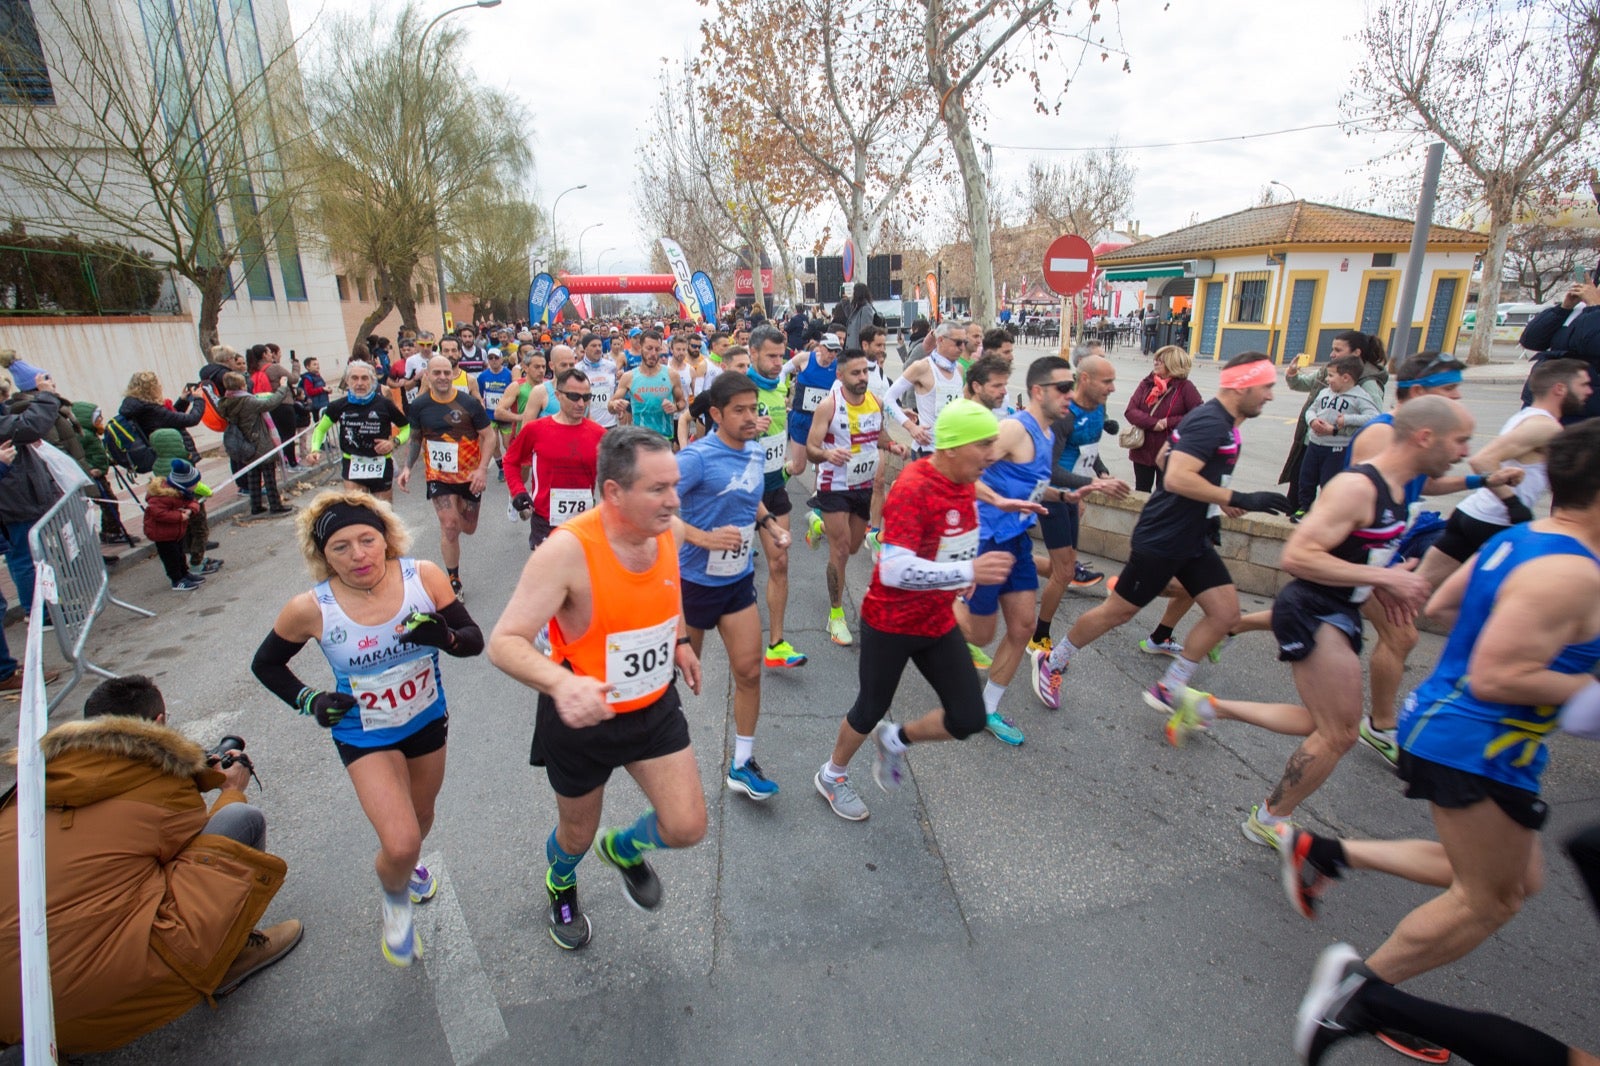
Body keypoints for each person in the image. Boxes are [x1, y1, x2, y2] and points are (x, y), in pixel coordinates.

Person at [1289, 419, 1600, 1063]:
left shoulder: (1523, 538)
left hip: (1457, 727)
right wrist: (1579, 688)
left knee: (1516, 878)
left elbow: (1445, 605)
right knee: (1492, 897)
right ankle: (1359, 997)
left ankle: (1330, 855)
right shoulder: (1575, 573)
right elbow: (1497, 672)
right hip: (1476, 742)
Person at [1162, 397, 1468, 847]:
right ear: (1426, 437)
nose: (1464, 451)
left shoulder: (1402, 489)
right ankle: (1269, 817)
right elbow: (1298, 556)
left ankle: (1206, 707)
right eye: (1460, 441)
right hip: (1312, 609)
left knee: (1322, 724)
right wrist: (1381, 576)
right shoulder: (1359, 487)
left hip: (1339, 608)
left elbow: (1362, 552)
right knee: (1339, 732)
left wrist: (1384, 582)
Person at [487, 428, 709, 951]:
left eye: (674, 486)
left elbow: (667, 589)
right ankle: (561, 881)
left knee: (687, 826)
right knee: (575, 837)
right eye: (658, 489)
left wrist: (679, 639)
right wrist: (562, 684)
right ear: (613, 492)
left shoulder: (667, 532)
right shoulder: (568, 551)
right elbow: (504, 642)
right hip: (584, 720)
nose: (674, 501)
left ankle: (625, 848)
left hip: (654, 708)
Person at [0, 675, 299, 1052]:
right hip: (95, 1001)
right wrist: (230, 789)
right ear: (158, 724)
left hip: (17, 1015)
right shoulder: (164, 788)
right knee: (238, 821)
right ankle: (228, 958)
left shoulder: (30, 785)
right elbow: (196, 848)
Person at [251, 492, 483, 966]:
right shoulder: (311, 608)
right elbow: (267, 665)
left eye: (366, 540)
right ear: (322, 556)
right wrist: (310, 700)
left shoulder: (424, 577)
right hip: (363, 733)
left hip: (425, 720)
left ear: (385, 539)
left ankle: (408, 865)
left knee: (418, 822)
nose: (358, 555)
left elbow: (473, 643)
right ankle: (395, 903)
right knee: (398, 841)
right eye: (340, 547)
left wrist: (444, 636)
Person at [1030, 352, 1289, 712]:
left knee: (1225, 614)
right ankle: (1052, 660)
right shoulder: (1211, 422)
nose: (1271, 395)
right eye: (1266, 386)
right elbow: (1177, 475)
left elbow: (1167, 456)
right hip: (1164, 536)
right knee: (1117, 613)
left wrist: (1212, 504)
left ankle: (1172, 686)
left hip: (1194, 536)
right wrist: (1240, 497)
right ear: (1242, 385)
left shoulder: (1217, 419)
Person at [813, 400, 1016, 821]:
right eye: (985, 445)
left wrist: (967, 566)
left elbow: (956, 527)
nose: (992, 454)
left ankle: (898, 739)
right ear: (953, 447)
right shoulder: (913, 487)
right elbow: (893, 568)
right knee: (869, 708)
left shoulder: (963, 476)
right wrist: (967, 568)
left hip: (937, 619)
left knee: (968, 718)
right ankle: (832, 775)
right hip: (891, 621)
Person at [1343, 351, 1518, 764]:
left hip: (1381, 555)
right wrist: (1381, 571)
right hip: (1360, 556)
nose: (1457, 398)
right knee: (1401, 635)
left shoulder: (1416, 437)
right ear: (1418, 393)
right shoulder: (1382, 435)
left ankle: (1233, 621)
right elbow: (1357, 501)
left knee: (1318, 618)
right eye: (1449, 390)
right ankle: (1380, 726)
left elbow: (1423, 487)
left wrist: (1483, 480)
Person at [676, 373, 788, 799]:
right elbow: (654, 508)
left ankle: (741, 764)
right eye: (738, 410)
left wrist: (768, 524)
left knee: (749, 670)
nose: (749, 417)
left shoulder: (756, 451)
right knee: (678, 682)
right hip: (693, 584)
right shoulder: (697, 458)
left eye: (753, 408)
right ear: (717, 414)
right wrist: (703, 538)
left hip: (737, 579)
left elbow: (747, 496)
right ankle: (661, 761)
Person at [954, 355, 1075, 745]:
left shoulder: (1049, 435)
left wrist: (1067, 494)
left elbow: (1032, 488)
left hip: (1017, 540)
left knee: (1023, 627)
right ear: (1039, 392)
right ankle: (936, 600)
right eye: (1063, 388)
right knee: (980, 634)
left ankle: (986, 709)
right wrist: (997, 501)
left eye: (1071, 387)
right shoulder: (1012, 429)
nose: (1069, 395)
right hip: (985, 538)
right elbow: (957, 470)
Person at [1416, 357, 1591, 590]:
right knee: (1525, 593)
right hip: (1496, 522)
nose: (1589, 391)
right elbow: (1482, 460)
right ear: (1560, 388)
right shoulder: (1545, 427)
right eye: (1583, 384)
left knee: (1419, 585)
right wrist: (1513, 504)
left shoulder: (1526, 416)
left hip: (1472, 513)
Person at [803, 348, 907, 646]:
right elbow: (811, 447)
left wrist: (894, 446)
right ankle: (836, 616)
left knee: (853, 546)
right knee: (840, 549)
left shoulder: (874, 401)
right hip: (834, 485)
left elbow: (880, 436)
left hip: (862, 483)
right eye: (856, 373)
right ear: (840, 375)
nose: (863, 378)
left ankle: (817, 525)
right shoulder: (829, 406)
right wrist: (827, 453)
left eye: (865, 372)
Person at [1029, 355, 1131, 653]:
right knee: (1063, 571)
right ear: (1084, 379)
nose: (1112, 388)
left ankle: (1016, 565)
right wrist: (1094, 484)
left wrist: (1099, 470)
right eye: (1107, 381)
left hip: (1074, 496)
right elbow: (1050, 469)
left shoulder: (1098, 407)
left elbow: (1088, 447)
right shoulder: (1065, 414)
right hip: (1053, 496)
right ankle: (1039, 637)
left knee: (1066, 567)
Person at [396, 354, 496, 600]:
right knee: (449, 525)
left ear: (453, 374)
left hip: (470, 475)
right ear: (427, 376)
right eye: (436, 373)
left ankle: (457, 518)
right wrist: (407, 467)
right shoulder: (420, 405)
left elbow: (489, 435)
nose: (442, 377)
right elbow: (416, 437)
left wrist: (482, 468)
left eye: (446, 372)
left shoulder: (468, 404)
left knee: (468, 528)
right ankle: (453, 580)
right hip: (438, 475)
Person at [746, 324, 807, 667]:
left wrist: (787, 469)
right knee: (733, 576)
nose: (775, 362)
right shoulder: (740, 390)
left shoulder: (781, 385)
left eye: (779, 355)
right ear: (752, 353)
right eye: (769, 355)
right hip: (741, 496)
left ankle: (777, 644)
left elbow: (776, 443)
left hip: (773, 489)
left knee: (780, 562)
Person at [1279, 330, 1388, 506]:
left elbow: (1375, 421)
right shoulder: (1329, 370)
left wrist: (1337, 430)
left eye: (1338, 350)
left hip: (1339, 450)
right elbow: (1304, 384)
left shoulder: (1368, 383)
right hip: (1311, 443)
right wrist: (1292, 374)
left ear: (1356, 352)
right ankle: (1297, 516)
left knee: (1331, 494)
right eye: (1333, 349)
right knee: (1299, 490)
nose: (1332, 354)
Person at [506, 368, 606, 550]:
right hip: (545, 520)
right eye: (574, 397)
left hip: (584, 521)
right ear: (558, 395)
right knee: (549, 576)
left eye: (586, 397)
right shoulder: (535, 430)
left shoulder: (599, 434)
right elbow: (511, 461)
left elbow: (615, 475)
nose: (581, 403)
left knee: (578, 577)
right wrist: (518, 490)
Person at [1294, 354, 1383, 519]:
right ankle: (1304, 507)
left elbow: (1374, 416)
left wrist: (1347, 420)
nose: (1327, 379)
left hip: (1337, 448)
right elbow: (1311, 409)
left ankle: (1326, 513)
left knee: (1329, 482)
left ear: (1346, 378)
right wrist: (1312, 420)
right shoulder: (1324, 393)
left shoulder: (1359, 397)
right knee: (1306, 477)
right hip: (1315, 444)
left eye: (1331, 375)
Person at [308, 361, 409, 501]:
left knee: (383, 514)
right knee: (357, 510)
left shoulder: (384, 405)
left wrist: (394, 442)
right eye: (354, 378)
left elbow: (406, 428)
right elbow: (320, 429)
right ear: (347, 381)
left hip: (380, 463)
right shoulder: (338, 406)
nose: (359, 383)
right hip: (353, 464)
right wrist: (315, 449)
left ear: (372, 381)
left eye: (364, 378)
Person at [1122, 345, 1203, 493]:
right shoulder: (1147, 384)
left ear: (1173, 364)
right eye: (1156, 359)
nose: (1156, 363)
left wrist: (1168, 422)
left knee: (1165, 494)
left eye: (1161, 360)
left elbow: (1197, 415)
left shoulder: (1186, 388)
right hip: (1142, 450)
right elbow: (1130, 411)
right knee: (1141, 491)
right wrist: (1153, 424)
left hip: (1170, 451)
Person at [1519, 278, 1600, 423]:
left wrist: (1595, 307)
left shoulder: (1593, 311)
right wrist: (1564, 308)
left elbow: (1592, 343)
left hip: (1581, 411)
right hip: (1541, 402)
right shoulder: (1579, 310)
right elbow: (1531, 340)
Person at [218, 370, 294, 517]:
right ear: (241, 386)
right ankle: (275, 505)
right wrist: (283, 387)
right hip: (260, 440)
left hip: (245, 442)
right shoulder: (247, 401)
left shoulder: (227, 401)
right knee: (269, 475)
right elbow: (271, 402)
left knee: (253, 475)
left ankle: (256, 506)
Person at [884, 321, 966, 456]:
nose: (962, 348)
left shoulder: (959, 369)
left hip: (952, 449)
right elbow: (889, 398)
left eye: (965, 342)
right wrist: (911, 427)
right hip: (928, 449)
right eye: (958, 343)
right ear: (941, 340)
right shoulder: (922, 367)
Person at [144, 459, 215, 591]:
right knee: (171, 558)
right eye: (194, 484)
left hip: (176, 532)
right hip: (163, 534)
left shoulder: (182, 492)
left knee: (180, 555)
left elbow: (193, 502)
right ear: (185, 484)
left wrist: (191, 509)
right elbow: (158, 513)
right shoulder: (162, 496)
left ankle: (185, 574)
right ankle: (177, 580)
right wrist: (179, 516)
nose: (196, 486)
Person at [783, 331, 840, 480]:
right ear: (821, 347)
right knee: (798, 467)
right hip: (801, 417)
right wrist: (782, 393)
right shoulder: (805, 358)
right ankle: (781, 475)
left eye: (836, 351)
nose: (833, 354)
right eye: (830, 349)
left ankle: (818, 502)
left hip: (822, 421)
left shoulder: (838, 367)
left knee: (822, 468)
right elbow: (782, 371)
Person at [613, 329, 684, 439]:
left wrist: (675, 407)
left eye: (657, 349)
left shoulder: (672, 375)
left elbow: (682, 402)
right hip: (640, 439)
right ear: (640, 348)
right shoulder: (629, 377)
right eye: (649, 348)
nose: (653, 354)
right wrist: (615, 405)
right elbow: (611, 405)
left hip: (664, 438)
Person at [576, 333, 620, 430]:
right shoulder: (578, 369)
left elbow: (617, 389)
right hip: (588, 423)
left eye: (600, 345)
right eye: (594, 346)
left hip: (610, 423)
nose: (598, 349)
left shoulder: (611, 366)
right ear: (585, 348)